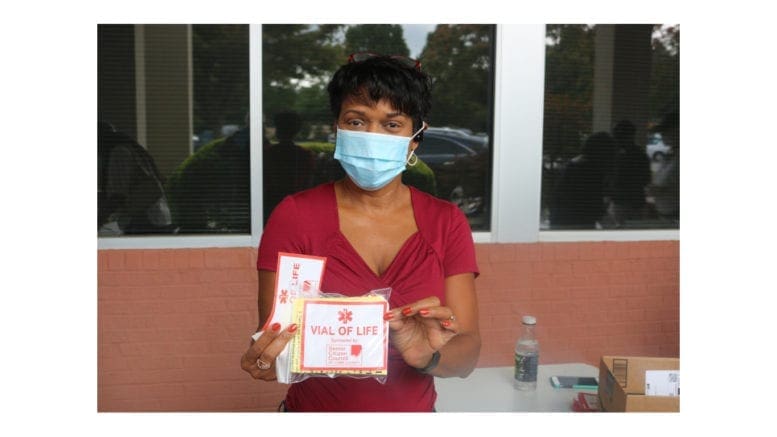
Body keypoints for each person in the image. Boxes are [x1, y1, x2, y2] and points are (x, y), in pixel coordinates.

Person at [240, 54, 481, 412]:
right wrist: (268, 358)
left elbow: (468, 353)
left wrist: (425, 355)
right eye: (357, 121)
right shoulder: (295, 216)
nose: (372, 137)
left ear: (415, 138)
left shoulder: (446, 222)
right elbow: (278, 341)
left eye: (392, 125)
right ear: (337, 128)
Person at [550, 131, 616, 229]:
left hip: (563, 222)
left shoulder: (575, 164)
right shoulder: (589, 169)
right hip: (576, 224)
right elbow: (594, 205)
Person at [262, 110, 317, 223]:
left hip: (272, 205)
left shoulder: (268, 153)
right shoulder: (305, 155)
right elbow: (308, 183)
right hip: (296, 206)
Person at [610, 120, 652, 226]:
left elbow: (645, 178)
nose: (617, 138)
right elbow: (646, 179)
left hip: (627, 201)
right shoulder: (639, 154)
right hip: (632, 200)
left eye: (620, 135)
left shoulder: (622, 154)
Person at [650, 111, 680, 222]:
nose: (662, 135)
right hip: (665, 216)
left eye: (665, 131)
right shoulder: (669, 155)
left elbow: (660, 187)